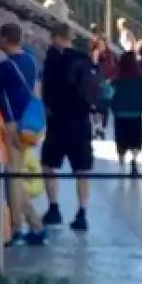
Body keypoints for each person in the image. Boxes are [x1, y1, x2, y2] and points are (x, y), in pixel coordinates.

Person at [0, 24, 46, 247]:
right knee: (17, 173)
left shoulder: (5, 67)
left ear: (4, 39)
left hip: (12, 124)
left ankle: (18, 227)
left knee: (13, 176)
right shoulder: (31, 61)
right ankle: (33, 223)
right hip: (30, 124)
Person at [41, 22, 95, 231]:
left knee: (48, 165)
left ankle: (54, 207)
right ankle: (82, 213)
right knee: (82, 169)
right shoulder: (83, 58)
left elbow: (47, 89)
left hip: (58, 120)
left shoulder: (53, 58)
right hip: (81, 121)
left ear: (55, 37)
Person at [110, 51, 142, 174]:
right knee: (136, 136)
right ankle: (134, 158)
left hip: (120, 112)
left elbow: (108, 93)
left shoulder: (116, 79)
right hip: (136, 112)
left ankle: (122, 159)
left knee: (121, 136)